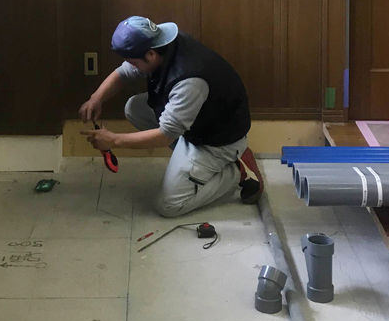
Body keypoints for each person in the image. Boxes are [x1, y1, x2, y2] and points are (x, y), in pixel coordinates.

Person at [79, 15, 263, 218]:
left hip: (216, 141)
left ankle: (234, 171)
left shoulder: (189, 80)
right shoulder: (162, 43)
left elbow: (165, 135)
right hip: (197, 120)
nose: (132, 66)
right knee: (134, 108)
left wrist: (113, 140)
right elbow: (124, 73)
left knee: (169, 205)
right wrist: (96, 99)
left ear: (150, 55)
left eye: (134, 62)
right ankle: (190, 164)